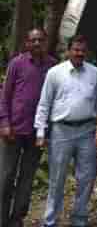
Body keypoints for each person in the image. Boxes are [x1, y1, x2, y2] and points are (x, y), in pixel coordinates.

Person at [34, 34, 97, 227]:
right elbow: (44, 104)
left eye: (82, 50)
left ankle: (79, 219)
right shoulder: (55, 73)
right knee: (57, 178)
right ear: (68, 51)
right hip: (61, 132)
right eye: (76, 50)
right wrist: (40, 131)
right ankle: (50, 220)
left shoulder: (94, 73)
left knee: (86, 178)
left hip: (86, 131)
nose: (80, 53)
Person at [0, 28, 56, 227]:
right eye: (33, 40)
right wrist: (4, 123)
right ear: (27, 43)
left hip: (37, 133)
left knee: (27, 178)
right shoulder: (17, 63)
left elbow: (54, 101)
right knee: (6, 177)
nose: (37, 43)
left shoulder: (52, 66)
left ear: (46, 41)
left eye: (41, 40)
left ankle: (17, 219)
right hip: (13, 131)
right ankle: (2, 219)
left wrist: (47, 131)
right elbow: (5, 95)